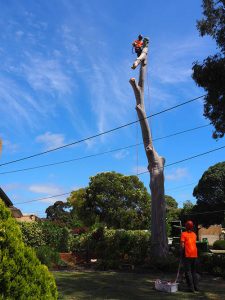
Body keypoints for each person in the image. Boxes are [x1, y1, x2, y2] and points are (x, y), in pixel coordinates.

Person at [180, 220, 199, 292]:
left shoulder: (183, 234)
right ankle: (196, 287)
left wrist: (181, 252)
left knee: (188, 272)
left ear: (186, 227)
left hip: (187, 255)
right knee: (193, 271)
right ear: (192, 227)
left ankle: (191, 288)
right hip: (194, 254)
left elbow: (182, 245)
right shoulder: (194, 234)